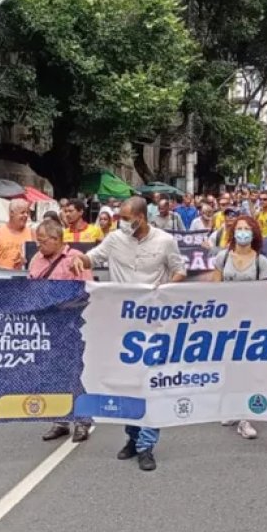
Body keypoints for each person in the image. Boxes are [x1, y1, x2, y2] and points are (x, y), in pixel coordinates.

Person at [69, 196, 186, 471]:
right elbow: (93, 257)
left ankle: (146, 445)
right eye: (119, 217)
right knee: (128, 384)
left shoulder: (164, 241)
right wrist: (79, 259)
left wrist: (165, 290)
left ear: (141, 218)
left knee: (150, 384)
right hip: (120, 325)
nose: (121, 222)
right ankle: (132, 438)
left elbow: (179, 270)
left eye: (126, 217)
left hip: (153, 325)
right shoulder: (115, 240)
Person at [30, 218, 95, 444]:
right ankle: (60, 419)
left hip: (69, 327)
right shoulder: (36, 260)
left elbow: (86, 293)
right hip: (45, 329)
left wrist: (61, 305)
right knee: (51, 374)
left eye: (42, 241)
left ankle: (82, 420)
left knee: (72, 373)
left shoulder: (75, 260)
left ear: (56, 239)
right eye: (37, 242)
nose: (39, 246)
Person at [209, 214, 267, 442]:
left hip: (252, 325)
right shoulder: (223, 258)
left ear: (254, 233)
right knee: (229, 366)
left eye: (247, 229)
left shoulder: (261, 262)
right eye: (239, 228)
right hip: (227, 322)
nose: (242, 232)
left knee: (248, 369)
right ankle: (231, 407)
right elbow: (213, 289)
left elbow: (266, 295)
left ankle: (246, 417)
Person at [0, 198, 34, 270]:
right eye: (22, 212)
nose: (26, 215)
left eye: (27, 213)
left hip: (26, 277)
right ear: (12, 213)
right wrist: (1, 268)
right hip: (3, 277)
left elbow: (40, 256)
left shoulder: (32, 233)